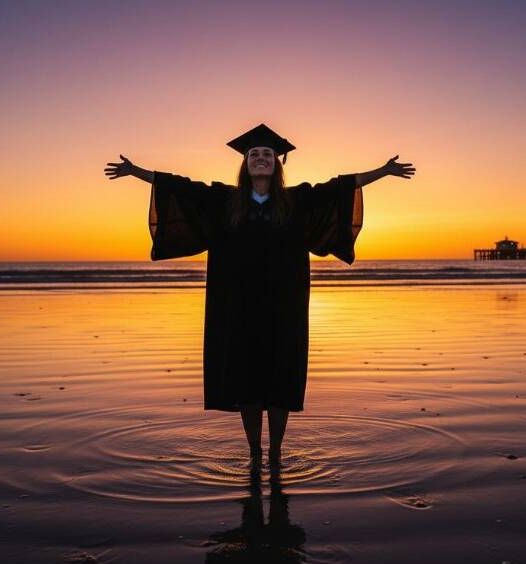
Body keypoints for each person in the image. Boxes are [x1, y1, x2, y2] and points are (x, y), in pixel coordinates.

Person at [104, 123, 414, 466]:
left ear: (277, 164)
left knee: (282, 377)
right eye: (254, 154)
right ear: (245, 164)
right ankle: (254, 451)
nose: (261, 158)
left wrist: (383, 171)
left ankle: (277, 451)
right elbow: (182, 187)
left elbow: (339, 186)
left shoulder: (296, 201)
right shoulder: (224, 201)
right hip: (237, 306)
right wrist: (136, 172)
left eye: (267, 154)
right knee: (245, 379)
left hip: (286, 306)